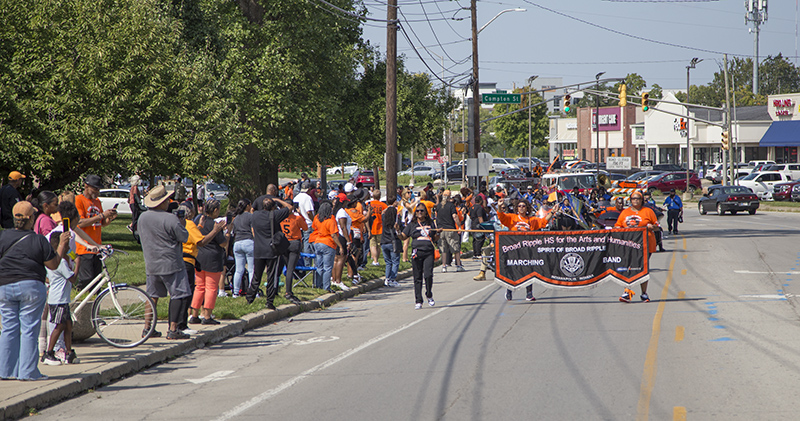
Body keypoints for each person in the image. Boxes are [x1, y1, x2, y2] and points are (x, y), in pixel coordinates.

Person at [0, 201, 60, 381]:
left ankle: (5, 370)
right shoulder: (38, 239)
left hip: (4, 286)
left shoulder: (2, 237)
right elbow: (53, 265)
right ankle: (28, 372)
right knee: (29, 329)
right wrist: (62, 247)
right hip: (31, 286)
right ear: (31, 219)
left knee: (8, 328)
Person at [137, 186, 193, 340]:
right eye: (167, 199)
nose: (169, 202)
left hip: (152, 263)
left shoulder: (142, 217)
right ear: (162, 202)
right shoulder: (171, 219)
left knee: (152, 296)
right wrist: (182, 223)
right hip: (171, 263)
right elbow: (184, 237)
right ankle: (173, 329)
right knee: (178, 295)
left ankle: (147, 328)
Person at [41, 203, 82, 366]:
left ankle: (68, 351)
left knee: (68, 324)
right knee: (58, 326)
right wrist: (78, 262)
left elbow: (71, 254)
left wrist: (73, 256)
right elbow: (73, 279)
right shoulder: (61, 264)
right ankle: (49, 352)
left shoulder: (60, 259)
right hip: (57, 299)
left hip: (62, 299)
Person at [495, 198, 558, 301]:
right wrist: (499, 206)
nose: (521, 208)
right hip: (514, 249)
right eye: (519, 206)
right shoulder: (512, 218)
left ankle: (529, 293)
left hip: (528, 250)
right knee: (512, 270)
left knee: (529, 271)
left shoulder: (531, 220)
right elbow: (501, 217)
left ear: (527, 208)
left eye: (523, 206)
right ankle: (509, 291)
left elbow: (543, 221)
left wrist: (553, 211)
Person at [248, 196, 293, 309]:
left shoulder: (255, 216)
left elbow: (251, 211)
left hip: (258, 249)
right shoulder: (274, 215)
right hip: (271, 249)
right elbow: (290, 207)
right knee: (271, 276)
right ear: (273, 207)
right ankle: (269, 301)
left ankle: (250, 297)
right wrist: (278, 200)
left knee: (256, 275)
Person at [615, 190, 659, 303]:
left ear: (642, 200)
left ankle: (644, 293)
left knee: (643, 269)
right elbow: (617, 226)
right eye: (633, 198)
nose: (635, 200)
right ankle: (627, 291)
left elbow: (657, 226)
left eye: (638, 198)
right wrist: (619, 230)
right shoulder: (625, 212)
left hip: (646, 245)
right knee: (629, 267)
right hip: (629, 245)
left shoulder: (648, 211)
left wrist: (651, 227)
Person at [75, 174, 117, 290]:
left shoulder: (97, 201)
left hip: (97, 246)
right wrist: (101, 216)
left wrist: (109, 218)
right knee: (86, 279)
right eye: (95, 189)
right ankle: (81, 301)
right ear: (86, 186)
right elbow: (80, 223)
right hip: (84, 247)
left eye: (99, 189)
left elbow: (101, 223)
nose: (97, 192)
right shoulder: (78, 200)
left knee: (97, 279)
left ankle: (94, 303)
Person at [190, 199, 229, 323]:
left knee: (199, 287)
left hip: (200, 257)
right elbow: (222, 243)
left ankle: (194, 314)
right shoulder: (214, 225)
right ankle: (207, 316)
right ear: (215, 210)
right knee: (211, 288)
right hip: (213, 258)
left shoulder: (199, 220)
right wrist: (227, 234)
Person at [399, 204, 439, 310]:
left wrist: (438, 234)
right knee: (417, 278)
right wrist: (398, 232)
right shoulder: (412, 224)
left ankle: (429, 294)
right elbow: (403, 236)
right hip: (417, 253)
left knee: (428, 275)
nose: (419, 213)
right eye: (417, 211)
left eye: (421, 211)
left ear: (426, 212)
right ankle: (418, 300)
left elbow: (434, 238)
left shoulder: (430, 223)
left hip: (428, 252)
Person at [309, 201, 342, 292]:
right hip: (328, 244)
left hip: (317, 242)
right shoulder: (331, 221)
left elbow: (313, 227)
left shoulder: (316, 218)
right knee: (327, 267)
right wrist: (340, 246)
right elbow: (334, 235)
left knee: (319, 266)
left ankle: (318, 285)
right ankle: (326, 287)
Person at [279, 203, 307, 305]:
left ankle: (281, 289)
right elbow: (305, 228)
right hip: (294, 242)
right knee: (290, 268)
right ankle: (288, 291)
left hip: (283, 242)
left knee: (287, 266)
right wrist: (301, 214)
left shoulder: (280, 218)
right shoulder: (297, 218)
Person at [230, 199, 254, 298]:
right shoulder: (250, 216)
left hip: (237, 243)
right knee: (252, 269)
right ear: (247, 206)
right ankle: (253, 291)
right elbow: (253, 231)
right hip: (248, 241)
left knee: (239, 270)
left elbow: (233, 232)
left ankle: (235, 292)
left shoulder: (236, 218)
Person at [437, 190, 464, 273]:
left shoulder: (438, 206)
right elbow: (455, 216)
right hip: (450, 229)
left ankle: (444, 266)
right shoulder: (451, 206)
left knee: (443, 249)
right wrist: (459, 227)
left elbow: (436, 217)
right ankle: (458, 265)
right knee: (455, 247)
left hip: (441, 230)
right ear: (449, 197)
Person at [380, 197, 401, 287]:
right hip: (392, 242)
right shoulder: (395, 222)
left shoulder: (384, 219)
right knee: (395, 261)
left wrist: (388, 208)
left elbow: (383, 213)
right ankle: (392, 279)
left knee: (388, 262)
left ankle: (387, 278)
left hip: (383, 241)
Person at [367, 190, 387, 266]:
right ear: (379, 196)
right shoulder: (383, 205)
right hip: (380, 227)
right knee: (378, 245)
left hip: (371, 227)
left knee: (372, 244)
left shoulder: (368, 204)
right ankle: (376, 260)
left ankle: (374, 260)